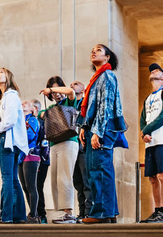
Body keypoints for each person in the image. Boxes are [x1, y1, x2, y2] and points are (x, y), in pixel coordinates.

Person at [78, 44, 128, 224]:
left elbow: (105, 106)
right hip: (94, 128)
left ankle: (101, 213)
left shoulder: (107, 75)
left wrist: (97, 132)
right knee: (95, 171)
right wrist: (84, 128)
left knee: (100, 170)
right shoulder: (96, 78)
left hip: (103, 129)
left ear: (107, 57)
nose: (94, 51)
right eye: (92, 50)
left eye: (99, 50)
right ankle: (107, 212)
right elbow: (91, 107)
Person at [139, 63, 163, 223]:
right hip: (150, 143)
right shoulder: (148, 98)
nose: (153, 71)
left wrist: (146, 130)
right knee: (153, 178)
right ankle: (156, 211)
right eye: (151, 70)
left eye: (157, 70)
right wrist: (144, 132)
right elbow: (143, 118)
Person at [40, 76, 80, 224]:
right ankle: (63, 212)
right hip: (54, 143)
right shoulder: (51, 108)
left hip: (69, 141)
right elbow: (40, 114)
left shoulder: (69, 102)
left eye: (58, 89)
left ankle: (69, 213)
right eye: (53, 92)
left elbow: (70, 91)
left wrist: (51, 89)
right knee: (56, 180)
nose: (56, 94)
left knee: (65, 177)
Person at [0, 68, 28, 223]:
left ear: (8, 77)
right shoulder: (7, 97)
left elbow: (11, 121)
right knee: (13, 179)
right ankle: (19, 216)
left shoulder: (10, 95)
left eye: (1, 72)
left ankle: (6, 216)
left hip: (7, 141)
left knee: (7, 178)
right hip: (11, 140)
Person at [70, 80, 92, 221]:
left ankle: (89, 210)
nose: (72, 85)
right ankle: (82, 211)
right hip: (72, 147)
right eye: (71, 84)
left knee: (86, 180)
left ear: (83, 88)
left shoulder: (87, 102)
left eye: (76, 83)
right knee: (77, 181)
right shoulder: (69, 103)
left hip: (83, 147)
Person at [19, 101, 41, 224]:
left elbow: (29, 136)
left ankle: (34, 214)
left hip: (30, 154)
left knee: (31, 186)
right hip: (20, 155)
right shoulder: (18, 120)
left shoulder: (32, 120)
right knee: (24, 187)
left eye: (26, 104)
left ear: (32, 109)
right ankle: (33, 213)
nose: (23, 103)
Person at [32, 99, 50, 224]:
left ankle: (41, 214)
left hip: (41, 159)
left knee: (38, 186)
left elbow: (44, 143)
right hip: (29, 159)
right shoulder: (28, 121)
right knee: (30, 187)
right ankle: (34, 213)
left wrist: (40, 159)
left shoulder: (42, 121)